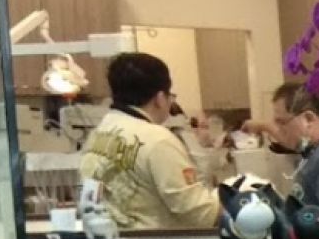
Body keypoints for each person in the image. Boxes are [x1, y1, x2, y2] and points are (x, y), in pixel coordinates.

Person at [79, 53, 218, 230]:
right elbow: (199, 213)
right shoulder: (158, 140)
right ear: (160, 99)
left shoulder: (99, 132)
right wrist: (234, 198)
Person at [248, 83, 319, 225]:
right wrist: (263, 126)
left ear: (308, 119)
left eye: (282, 122)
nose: (279, 130)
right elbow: (288, 141)